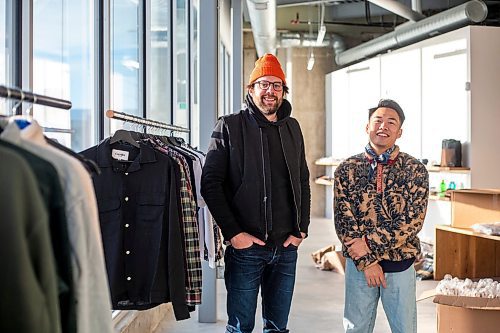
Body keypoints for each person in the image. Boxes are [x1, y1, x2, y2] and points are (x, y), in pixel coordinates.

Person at [201, 53, 311, 333]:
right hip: (246, 248)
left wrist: (302, 230)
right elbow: (210, 184)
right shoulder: (229, 126)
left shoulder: (292, 127)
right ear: (251, 90)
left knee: (278, 327)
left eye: (276, 85)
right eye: (263, 84)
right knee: (241, 327)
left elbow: (302, 179)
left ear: (283, 92)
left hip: (286, 248)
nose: (270, 91)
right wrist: (234, 234)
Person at [333, 99, 429, 333]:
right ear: (367, 127)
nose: (383, 126)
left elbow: (412, 221)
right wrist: (367, 263)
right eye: (377, 120)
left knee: (404, 329)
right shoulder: (347, 169)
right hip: (359, 268)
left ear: (399, 132)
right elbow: (344, 221)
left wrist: (367, 245)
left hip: (400, 264)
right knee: (356, 328)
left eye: (391, 122)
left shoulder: (415, 169)